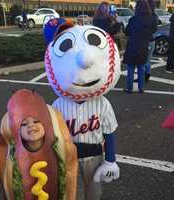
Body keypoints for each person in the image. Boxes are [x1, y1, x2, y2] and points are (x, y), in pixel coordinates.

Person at [44, 18, 121, 200]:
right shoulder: (57, 105)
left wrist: (110, 160)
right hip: (66, 158)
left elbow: (109, 133)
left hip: (94, 157)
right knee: (70, 194)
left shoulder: (102, 103)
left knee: (94, 194)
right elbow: (52, 138)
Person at [0, 89, 78, 200]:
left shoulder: (60, 148)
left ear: (46, 124)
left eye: (36, 121)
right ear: (16, 130)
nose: (31, 126)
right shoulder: (12, 158)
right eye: (24, 124)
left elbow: (78, 150)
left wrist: (99, 147)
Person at [123, 0, 157, 93]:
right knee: (141, 68)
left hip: (133, 45)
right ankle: (141, 88)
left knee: (130, 68)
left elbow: (127, 32)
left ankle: (129, 88)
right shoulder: (151, 19)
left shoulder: (133, 19)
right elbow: (154, 30)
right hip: (144, 45)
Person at [144, 0, 158, 82]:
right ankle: (147, 74)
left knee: (142, 60)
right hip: (151, 40)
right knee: (148, 59)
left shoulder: (145, 15)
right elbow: (155, 29)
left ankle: (144, 75)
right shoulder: (155, 16)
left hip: (144, 40)